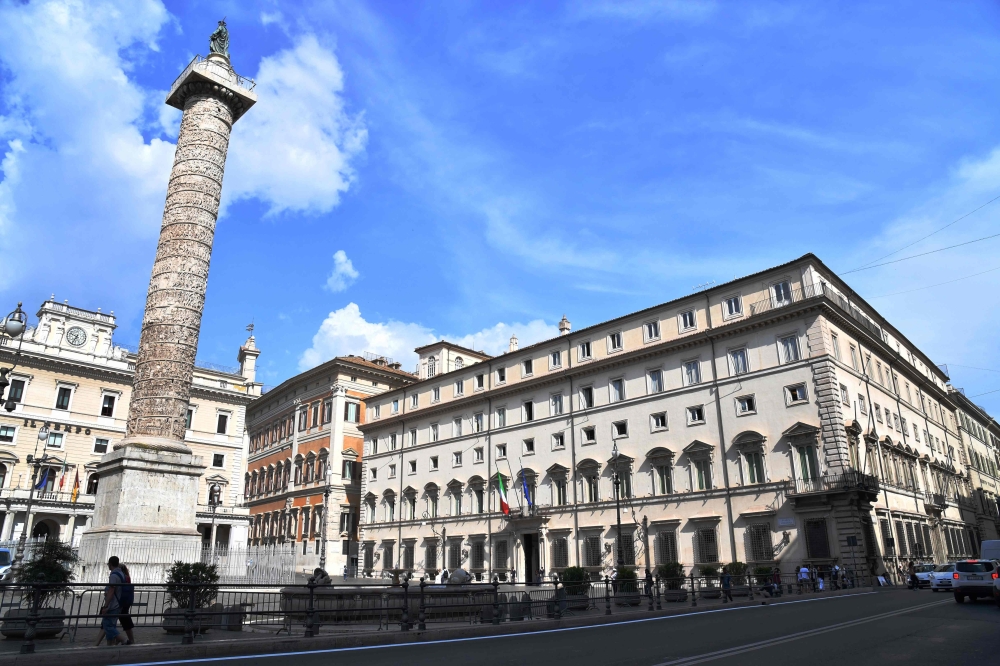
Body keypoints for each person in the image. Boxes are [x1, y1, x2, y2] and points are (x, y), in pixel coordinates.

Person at [97, 556, 127, 646]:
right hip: (119, 603)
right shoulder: (121, 573)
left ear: (110, 564)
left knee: (107, 625)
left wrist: (106, 606)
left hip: (113, 604)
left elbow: (111, 591)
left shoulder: (114, 575)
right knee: (111, 624)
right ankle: (110, 644)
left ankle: (123, 640)